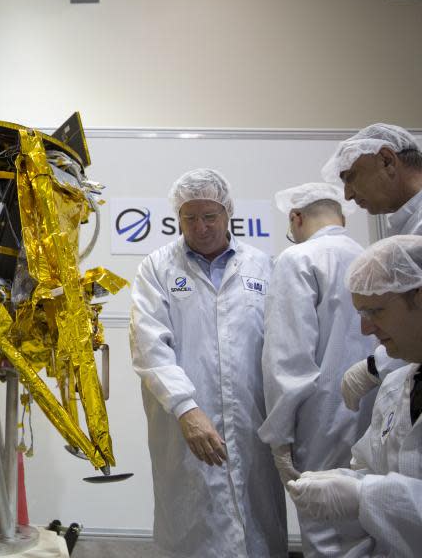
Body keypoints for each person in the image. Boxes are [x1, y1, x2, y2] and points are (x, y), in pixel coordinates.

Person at [129, 168, 285, 557]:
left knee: (257, 523)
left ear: (228, 212)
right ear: (177, 218)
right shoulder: (157, 268)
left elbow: (283, 346)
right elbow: (149, 344)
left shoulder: (262, 266)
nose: (200, 227)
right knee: (192, 524)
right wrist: (185, 407)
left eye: (209, 216)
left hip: (253, 422)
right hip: (183, 425)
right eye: (190, 217)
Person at [258, 182, 376, 556]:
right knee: (369, 525)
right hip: (375, 412)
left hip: (321, 419)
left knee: (327, 533)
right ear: (340, 216)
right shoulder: (370, 257)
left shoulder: (299, 260)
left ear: (296, 217)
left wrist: (279, 436)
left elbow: (288, 358)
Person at [287, 235, 422, 557]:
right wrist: (347, 481)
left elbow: (376, 491)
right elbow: (373, 466)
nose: (366, 330)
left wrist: (364, 495)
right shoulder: (396, 386)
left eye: (375, 311)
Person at [320, 125, 422, 417]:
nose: (348, 195)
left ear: (388, 160)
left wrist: (377, 366)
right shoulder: (407, 225)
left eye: (350, 177)